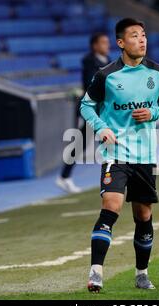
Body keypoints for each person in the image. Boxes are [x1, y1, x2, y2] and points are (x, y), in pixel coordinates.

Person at [80, 18, 159, 293]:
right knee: (111, 206)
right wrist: (102, 127)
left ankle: (141, 273)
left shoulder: (157, 74)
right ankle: (96, 272)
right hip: (116, 153)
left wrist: (153, 113)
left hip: (145, 155)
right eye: (134, 36)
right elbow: (86, 105)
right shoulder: (106, 75)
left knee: (143, 214)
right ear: (121, 43)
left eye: (143, 35)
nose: (142, 40)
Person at [56, 32, 111, 194]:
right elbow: (90, 84)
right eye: (102, 43)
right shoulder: (89, 62)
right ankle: (64, 177)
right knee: (84, 142)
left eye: (107, 42)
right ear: (94, 45)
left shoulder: (108, 61)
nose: (106, 46)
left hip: (104, 109)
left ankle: (64, 177)